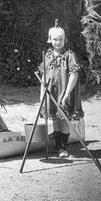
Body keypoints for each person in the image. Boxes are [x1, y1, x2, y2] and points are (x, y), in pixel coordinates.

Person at [40, 21, 83, 158]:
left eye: (60, 40)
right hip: (50, 93)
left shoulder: (69, 56)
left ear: (65, 40)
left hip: (63, 93)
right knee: (54, 119)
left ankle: (63, 147)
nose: (57, 42)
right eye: (55, 39)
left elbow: (74, 75)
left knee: (63, 119)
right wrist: (42, 94)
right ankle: (57, 145)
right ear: (50, 40)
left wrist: (66, 94)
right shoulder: (47, 56)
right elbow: (43, 76)